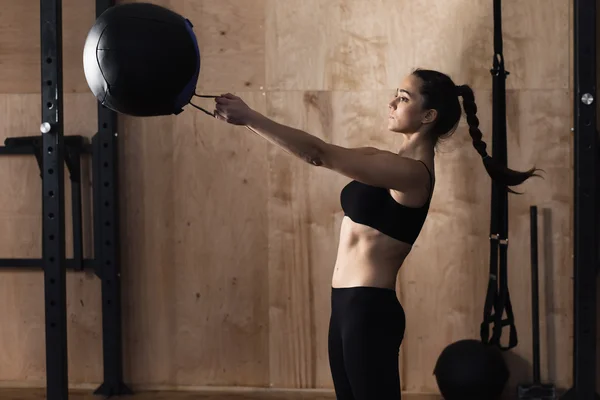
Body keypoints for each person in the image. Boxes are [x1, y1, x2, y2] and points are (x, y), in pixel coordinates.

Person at [211, 68, 539, 400]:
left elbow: (318, 154)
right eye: (397, 94)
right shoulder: (381, 158)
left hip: (369, 310)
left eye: (404, 97)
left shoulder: (412, 174)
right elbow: (313, 151)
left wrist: (250, 115)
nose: (392, 102)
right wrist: (248, 120)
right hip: (344, 307)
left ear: (428, 115)